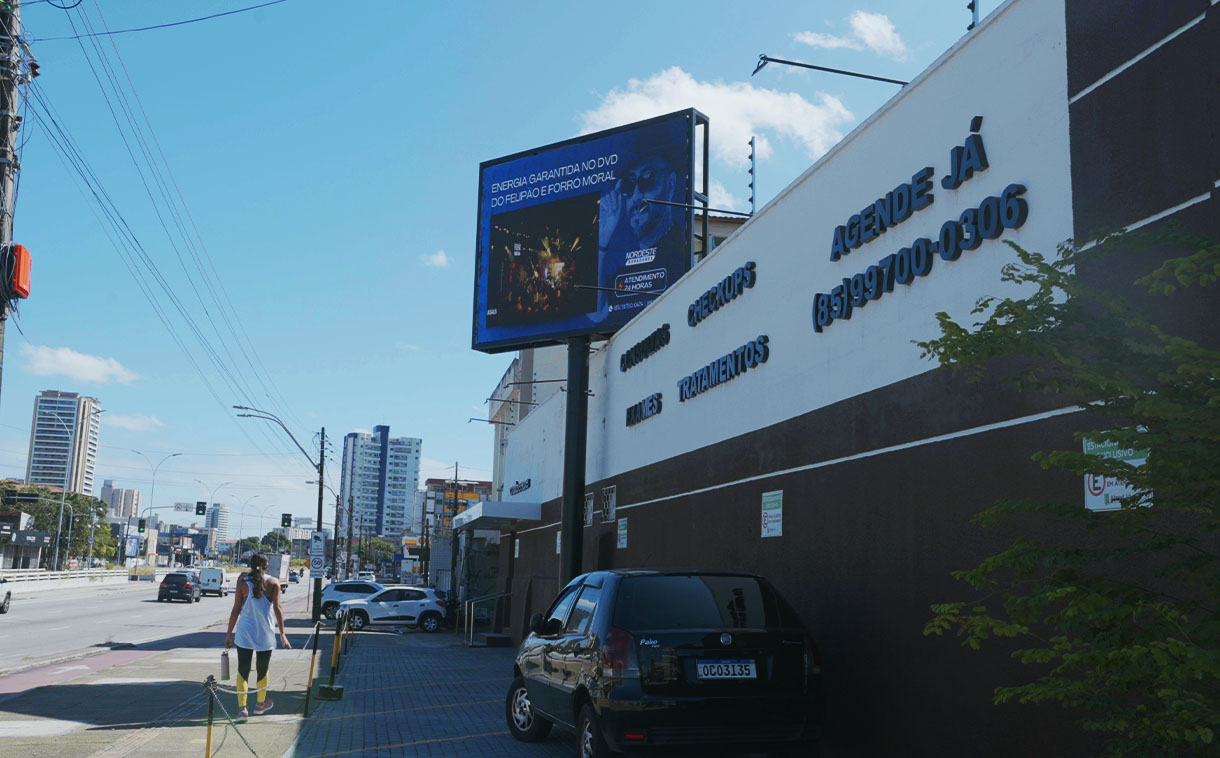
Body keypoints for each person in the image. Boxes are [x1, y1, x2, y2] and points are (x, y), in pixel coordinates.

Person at [224, 552, 291, 723]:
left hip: (245, 633)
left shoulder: (242, 583)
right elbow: (278, 609)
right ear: (267, 566)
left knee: (243, 670)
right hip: (265, 633)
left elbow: (235, 610)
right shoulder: (274, 583)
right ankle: (260, 704)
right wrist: (283, 633)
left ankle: (242, 710)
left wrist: (229, 634)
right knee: (263, 670)